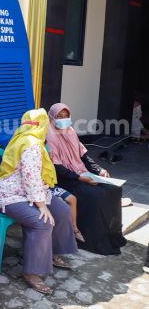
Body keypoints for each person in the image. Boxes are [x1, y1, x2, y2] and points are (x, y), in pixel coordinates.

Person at [0, 108, 77, 295]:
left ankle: (51, 253)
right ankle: (32, 272)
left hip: (27, 191)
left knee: (62, 210)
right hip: (9, 194)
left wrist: (43, 202)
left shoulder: (27, 137)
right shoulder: (31, 143)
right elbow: (30, 178)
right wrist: (42, 206)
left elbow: (34, 179)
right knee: (42, 221)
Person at [46, 103, 127, 255]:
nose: (63, 120)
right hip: (65, 179)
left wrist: (98, 170)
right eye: (59, 117)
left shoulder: (70, 131)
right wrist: (80, 178)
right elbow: (56, 168)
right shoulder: (49, 136)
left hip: (81, 173)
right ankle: (91, 240)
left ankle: (111, 235)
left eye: (66, 116)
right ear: (51, 117)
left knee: (114, 189)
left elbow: (83, 155)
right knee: (96, 196)